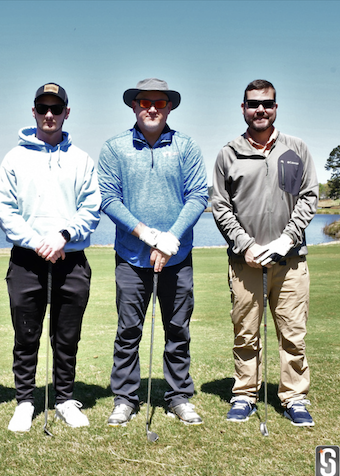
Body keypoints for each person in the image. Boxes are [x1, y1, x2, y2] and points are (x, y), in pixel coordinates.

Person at [98, 78, 208, 426]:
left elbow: (198, 196)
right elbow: (108, 199)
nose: (152, 109)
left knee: (178, 330)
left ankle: (178, 396)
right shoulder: (114, 148)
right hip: (132, 258)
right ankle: (125, 398)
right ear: (134, 106)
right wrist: (147, 235)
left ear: (169, 107)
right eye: (145, 102)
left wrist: (171, 239)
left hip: (177, 257)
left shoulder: (186, 147)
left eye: (159, 103)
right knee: (128, 331)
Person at [211, 79, 319, 427]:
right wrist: (245, 245)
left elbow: (309, 197)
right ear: (243, 108)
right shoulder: (228, 153)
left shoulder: (296, 149)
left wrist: (287, 239)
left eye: (267, 104)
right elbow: (220, 206)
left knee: (293, 334)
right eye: (253, 103)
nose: (261, 109)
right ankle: (245, 395)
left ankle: (294, 398)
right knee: (246, 333)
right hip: (246, 263)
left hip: (290, 261)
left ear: (276, 107)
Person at [0, 83, 101, 432]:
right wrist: (37, 242)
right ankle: (25, 402)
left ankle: (65, 399)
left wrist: (63, 235)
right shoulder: (14, 158)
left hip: (71, 258)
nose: (49, 115)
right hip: (27, 260)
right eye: (43, 108)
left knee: (66, 337)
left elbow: (91, 207)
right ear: (34, 112)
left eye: (56, 108)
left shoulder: (81, 159)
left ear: (67, 112)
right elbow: (5, 210)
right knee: (26, 336)